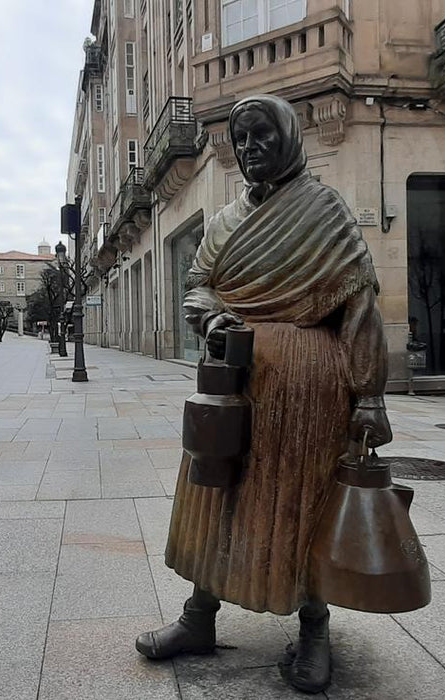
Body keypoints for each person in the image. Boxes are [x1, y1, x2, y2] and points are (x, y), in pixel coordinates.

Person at [135, 94, 391, 693]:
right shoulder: (224, 221)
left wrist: (369, 396)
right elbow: (196, 284)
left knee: (303, 502)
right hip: (232, 384)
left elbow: (361, 308)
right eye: (240, 140)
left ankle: (314, 629)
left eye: (261, 137)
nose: (249, 150)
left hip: (310, 390)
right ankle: (198, 618)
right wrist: (211, 317)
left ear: (290, 139)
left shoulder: (326, 210)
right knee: (214, 493)